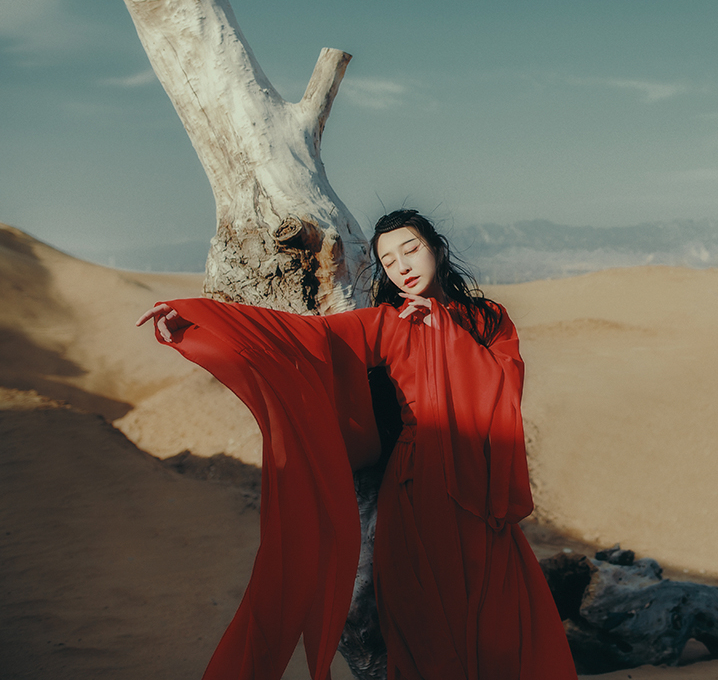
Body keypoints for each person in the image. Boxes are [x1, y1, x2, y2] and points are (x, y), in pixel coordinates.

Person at [138, 210, 577, 680]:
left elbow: (506, 389)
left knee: (501, 623)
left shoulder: (487, 318)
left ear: (437, 249)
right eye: (388, 261)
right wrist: (200, 318)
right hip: (414, 492)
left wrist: (446, 331)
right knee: (428, 628)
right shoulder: (390, 322)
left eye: (411, 249)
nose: (402, 266)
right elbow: (309, 338)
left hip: (477, 494)